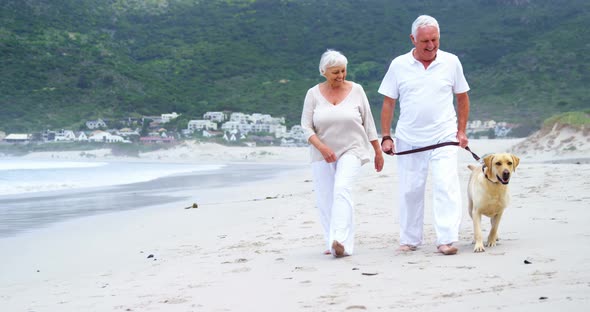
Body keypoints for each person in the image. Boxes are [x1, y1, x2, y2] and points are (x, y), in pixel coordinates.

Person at [378, 15, 470, 255]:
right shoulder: (399, 65)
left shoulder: (452, 62)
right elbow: (388, 102)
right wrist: (386, 136)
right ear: (413, 39)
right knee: (410, 189)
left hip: (444, 136)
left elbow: (462, 98)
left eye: (434, 40)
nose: (430, 46)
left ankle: (446, 239)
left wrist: (461, 131)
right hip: (409, 138)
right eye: (425, 41)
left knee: (445, 185)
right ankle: (410, 239)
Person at [301, 49, 384, 257]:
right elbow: (306, 127)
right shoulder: (313, 94)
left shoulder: (357, 90)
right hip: (322, 152)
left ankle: (342, 242)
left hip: (352, 148)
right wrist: (322, 147)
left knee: (342, 188)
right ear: (324, 72)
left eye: (343, 71)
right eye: (335, 72)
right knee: (326, 198)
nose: (341, 76)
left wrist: (377, 151)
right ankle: (332, 241)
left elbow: (369, 122)